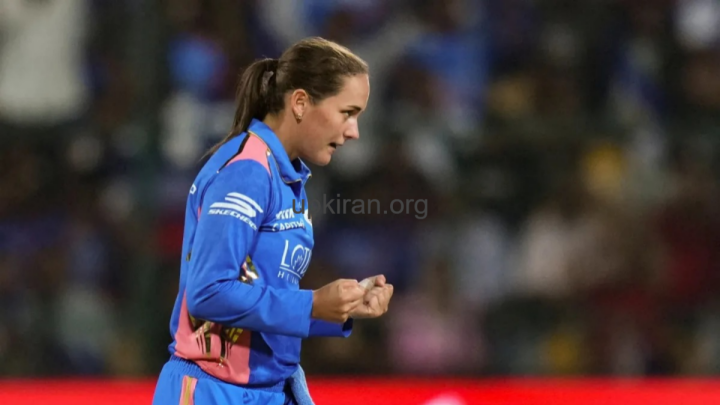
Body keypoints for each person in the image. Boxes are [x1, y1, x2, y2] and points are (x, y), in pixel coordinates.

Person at [152, 37, 394, 405]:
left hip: (266, 391)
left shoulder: (286, 177)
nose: (353, 131)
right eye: (347, 112)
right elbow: (207, 293)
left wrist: (338, 310)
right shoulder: (247, 172)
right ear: (300, 103)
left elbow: (260, 297)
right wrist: (313, 304)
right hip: (214, 392)